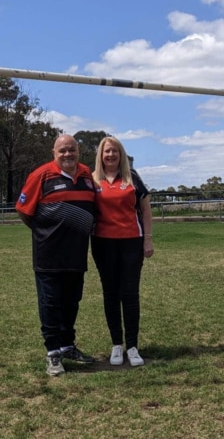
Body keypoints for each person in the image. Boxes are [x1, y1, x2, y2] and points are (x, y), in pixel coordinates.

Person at [15, 133, 97, 376]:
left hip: (76, 254)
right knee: (51, 304)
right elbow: (23, 210)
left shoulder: (87, 176)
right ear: (54, 153)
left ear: (78, 151)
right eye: (62, 150)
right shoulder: (41, 176)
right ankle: (52, 353)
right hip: (48, 255)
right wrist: (45, 232)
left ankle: (67, 346)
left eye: (71, 149)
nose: (67, 154)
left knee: (72, 302)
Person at [91, 136, 154, 367]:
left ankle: (133, 346)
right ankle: (117, 344)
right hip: (102, 243)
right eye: (107, 152)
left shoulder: (132, 178)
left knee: (130, 294)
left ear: (121, 154)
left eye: (115, 151)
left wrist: (147, 240)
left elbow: (146, 211)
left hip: (131, 243)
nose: (111, 155)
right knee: (110, 294)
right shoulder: (93, 180)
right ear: (101, 155)